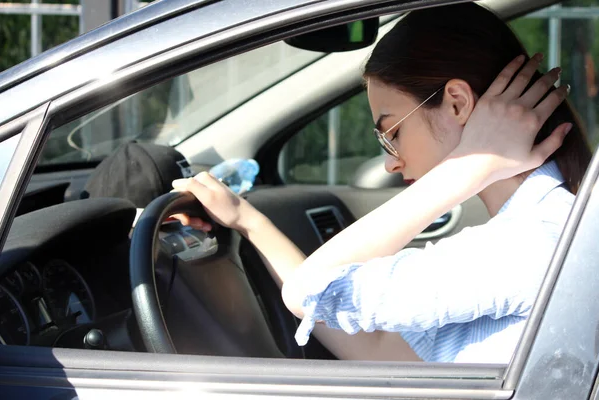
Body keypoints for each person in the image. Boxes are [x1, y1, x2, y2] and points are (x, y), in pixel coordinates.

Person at [170, 3, 592, 363]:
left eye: (392, 133)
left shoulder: (527, 244)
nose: (391, 163)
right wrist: (248, 221)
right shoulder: (556, 225)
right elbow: (376, 348)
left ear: (459, 103)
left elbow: (306, 291)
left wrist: (471, 165)